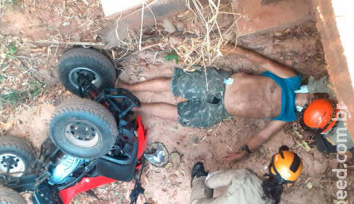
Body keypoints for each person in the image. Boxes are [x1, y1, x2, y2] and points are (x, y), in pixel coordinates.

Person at [118, 46, 313, 162]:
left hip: (220, 110)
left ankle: (137, 107)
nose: (309, 101)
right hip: (222, 83)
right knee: (175, 85)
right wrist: (236, 50)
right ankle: (131, 87)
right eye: (314, 98)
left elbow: (263, 135)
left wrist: (245, 150)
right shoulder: (293, 80)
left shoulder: (289, 115)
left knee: (180, 115)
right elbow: (264, 62)